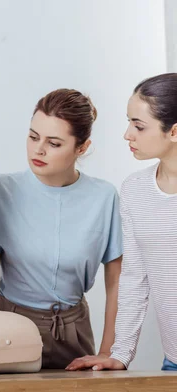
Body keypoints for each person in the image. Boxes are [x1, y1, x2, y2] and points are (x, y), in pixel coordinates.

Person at [0, 89, 123, 369]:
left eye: (54, 143)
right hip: (10, 331)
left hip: (75, 332)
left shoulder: (104, 197)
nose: (38, 150)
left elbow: (117, 283)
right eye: (33, 137)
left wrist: (109, 352)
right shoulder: (0, 191)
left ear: (82, 148)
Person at [66, 73, 177, 372]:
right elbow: (133, 278)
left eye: (139, 126)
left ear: (174, 131)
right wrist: (120, 352)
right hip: (173, 363)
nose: (128, 134)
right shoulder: (134, 189)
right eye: (129, 122)